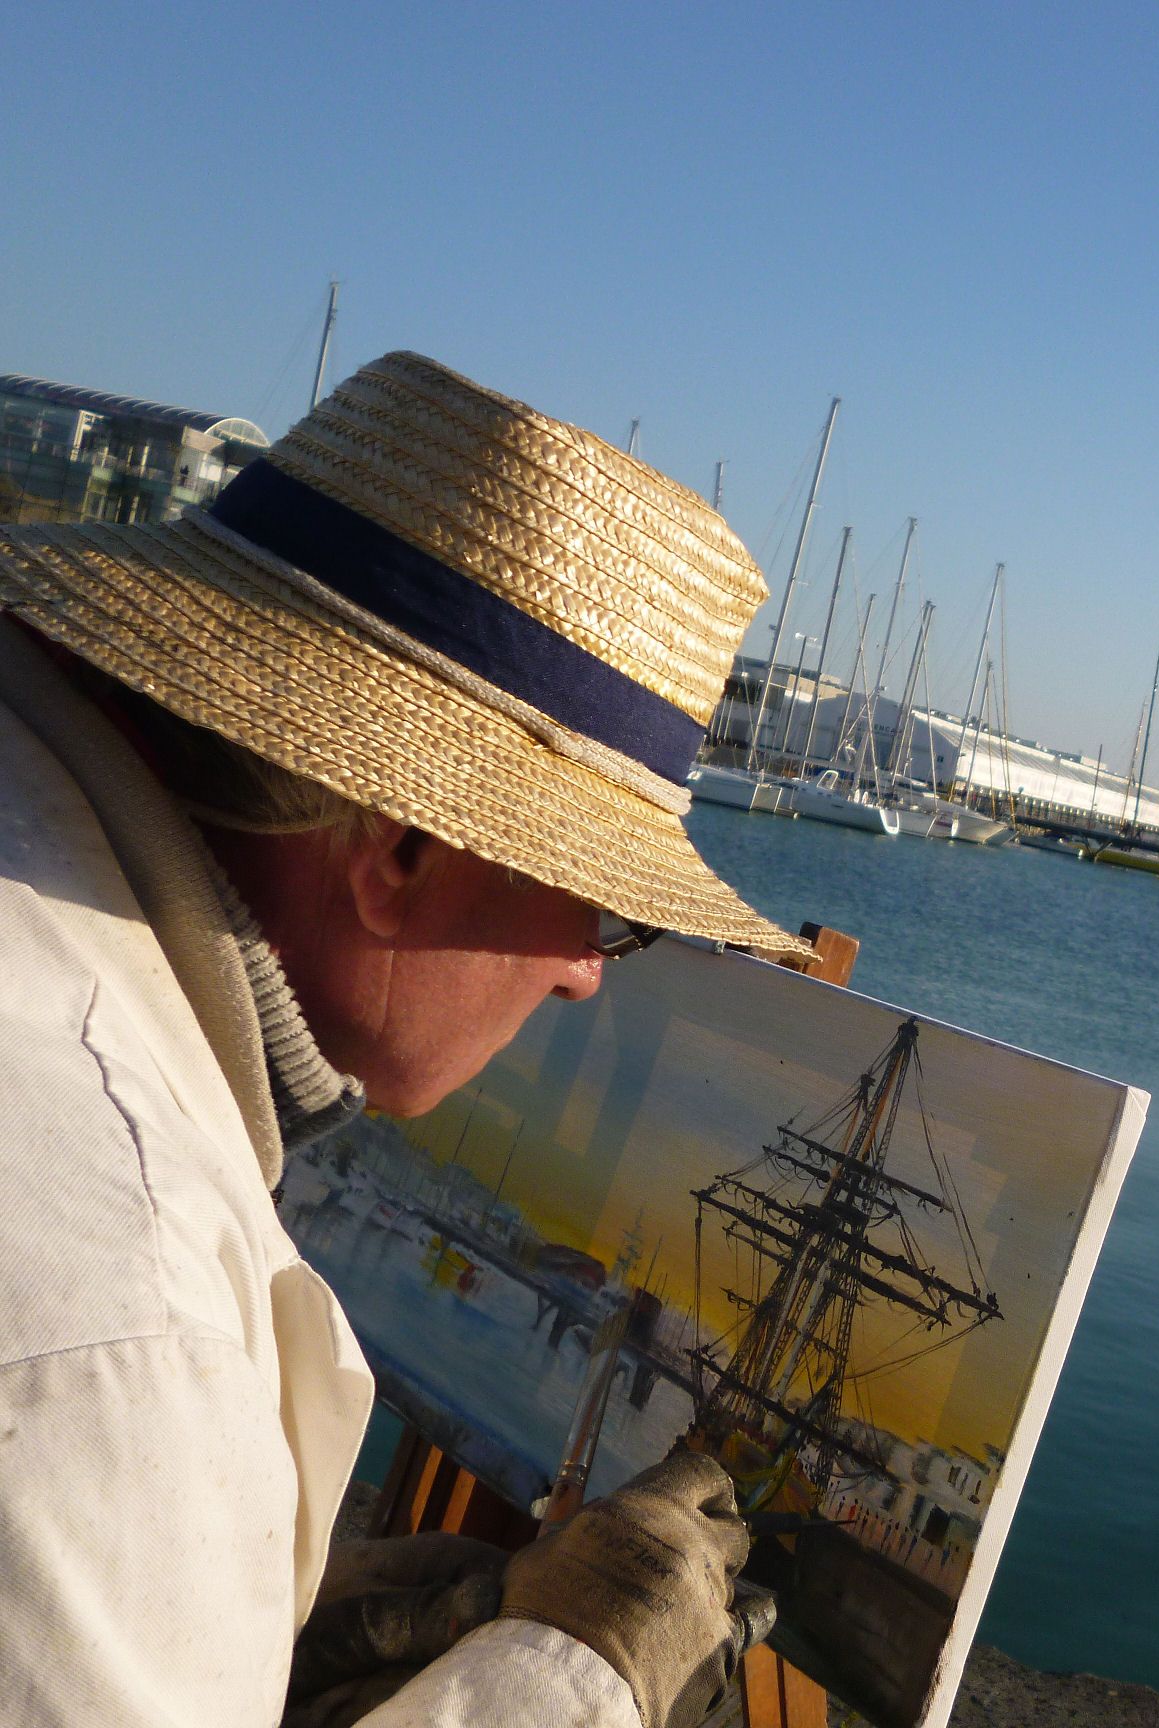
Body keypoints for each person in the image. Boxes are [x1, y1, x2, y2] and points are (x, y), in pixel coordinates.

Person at [0, 352, 818, 1726]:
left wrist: (245, 1622)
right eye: (603, 912)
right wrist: (574, 1675)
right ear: (407, 846)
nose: (581, 978)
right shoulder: (131, 1337)